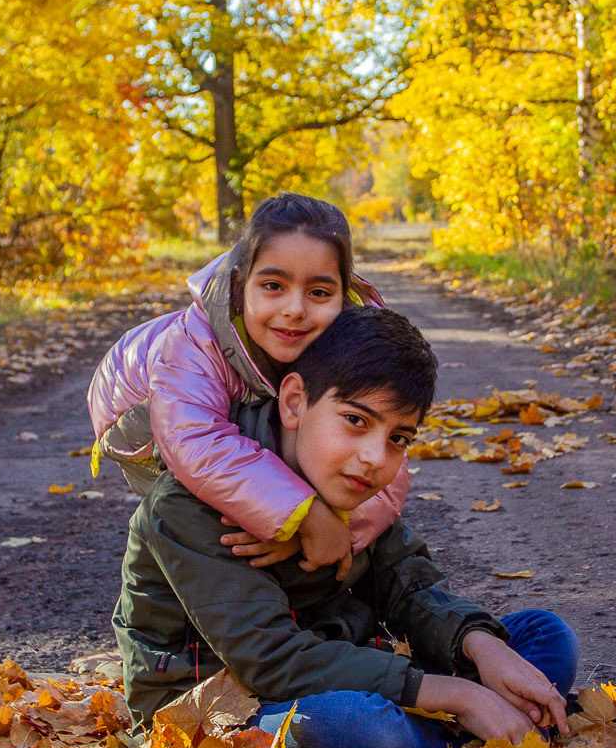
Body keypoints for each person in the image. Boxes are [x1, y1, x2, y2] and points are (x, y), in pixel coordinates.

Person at [112, 306, 580, 748]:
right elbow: (272, 660)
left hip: (343, 670)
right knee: (355, 729)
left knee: (544, 636)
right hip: (221, 712)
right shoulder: (189, 502)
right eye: (356, 421)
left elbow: (410, 586)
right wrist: (460, 693)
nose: (375, 457)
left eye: (398, 438)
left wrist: (479, 646)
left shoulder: (353, 488)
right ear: (295, 402)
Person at [88, 193, 408, 579]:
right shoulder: (192, 345)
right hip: (141, 422)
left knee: (337, 432)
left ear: (344, 294)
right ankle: (184, 594)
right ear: (240, 287)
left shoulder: (350, 338)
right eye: (273, 286)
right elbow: (194, 441)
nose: (295, 309)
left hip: (229, 410)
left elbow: (387, 463)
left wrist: (339, 524)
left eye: (319, 293)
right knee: (215, 510)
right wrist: (304, 514)